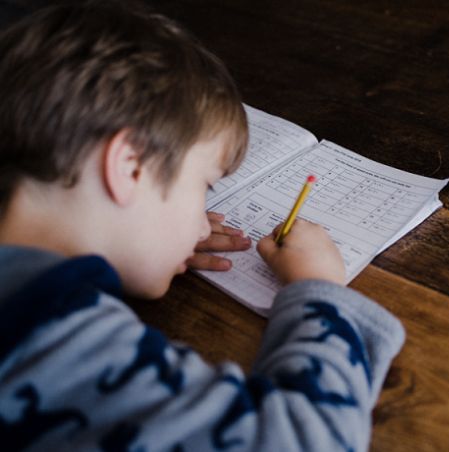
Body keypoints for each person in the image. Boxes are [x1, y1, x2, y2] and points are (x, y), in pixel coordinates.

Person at [0, 2, 405, 451]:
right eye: (204, 186)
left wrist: (129, 246)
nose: (200, 227)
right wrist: (319, 290)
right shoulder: (52, 341)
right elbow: (313, 441)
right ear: (131, 168)